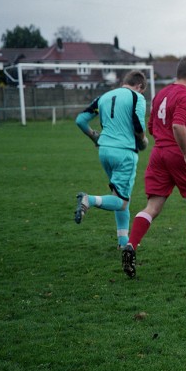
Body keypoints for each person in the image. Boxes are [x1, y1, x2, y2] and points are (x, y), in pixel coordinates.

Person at [121, 57, 186, 278]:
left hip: (159, 154)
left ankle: (131, 245)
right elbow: (175, 125)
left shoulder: (161, 94)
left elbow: (154, 127)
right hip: (178, 155)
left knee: (152, 206)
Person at [74, 69, 148, 251]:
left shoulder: (104, 97)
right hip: (124, 153)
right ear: (139, 86)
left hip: (104, 151)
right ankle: (88, 200)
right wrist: (144, 141)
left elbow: (81, 120)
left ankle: (123, 243)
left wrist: (94, 137)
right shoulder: (137, 97)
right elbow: (138, 126)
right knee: (121, 201)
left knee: (121, 197)